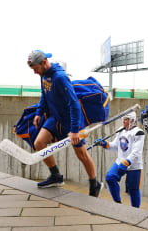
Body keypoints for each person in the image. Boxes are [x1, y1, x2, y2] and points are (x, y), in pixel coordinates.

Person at [27, 50, 103, 197]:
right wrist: (39, 112)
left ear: (43, 63)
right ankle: (56, 175)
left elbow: (74, 104)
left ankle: (95, 183)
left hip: (72, 119)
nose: (35, 72)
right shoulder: (44, 75)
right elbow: (45, 94)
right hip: (56, 117)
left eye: (35, 69)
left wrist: (75, 130)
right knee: (39, 143)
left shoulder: (60, 78)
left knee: (81, 154)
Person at [96, 111, 145, 208]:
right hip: (120, 161)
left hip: (134, 165)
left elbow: (136, 152)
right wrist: (104, 144)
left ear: (131, 121)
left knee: (133, 190)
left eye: (126, 119)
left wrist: (126, 162)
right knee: (110, 177)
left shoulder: (139, 133)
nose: (124, 121)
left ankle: (135, 211)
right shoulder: (120, 130)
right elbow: (115, 146)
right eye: (123, 119)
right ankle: (118, 203)